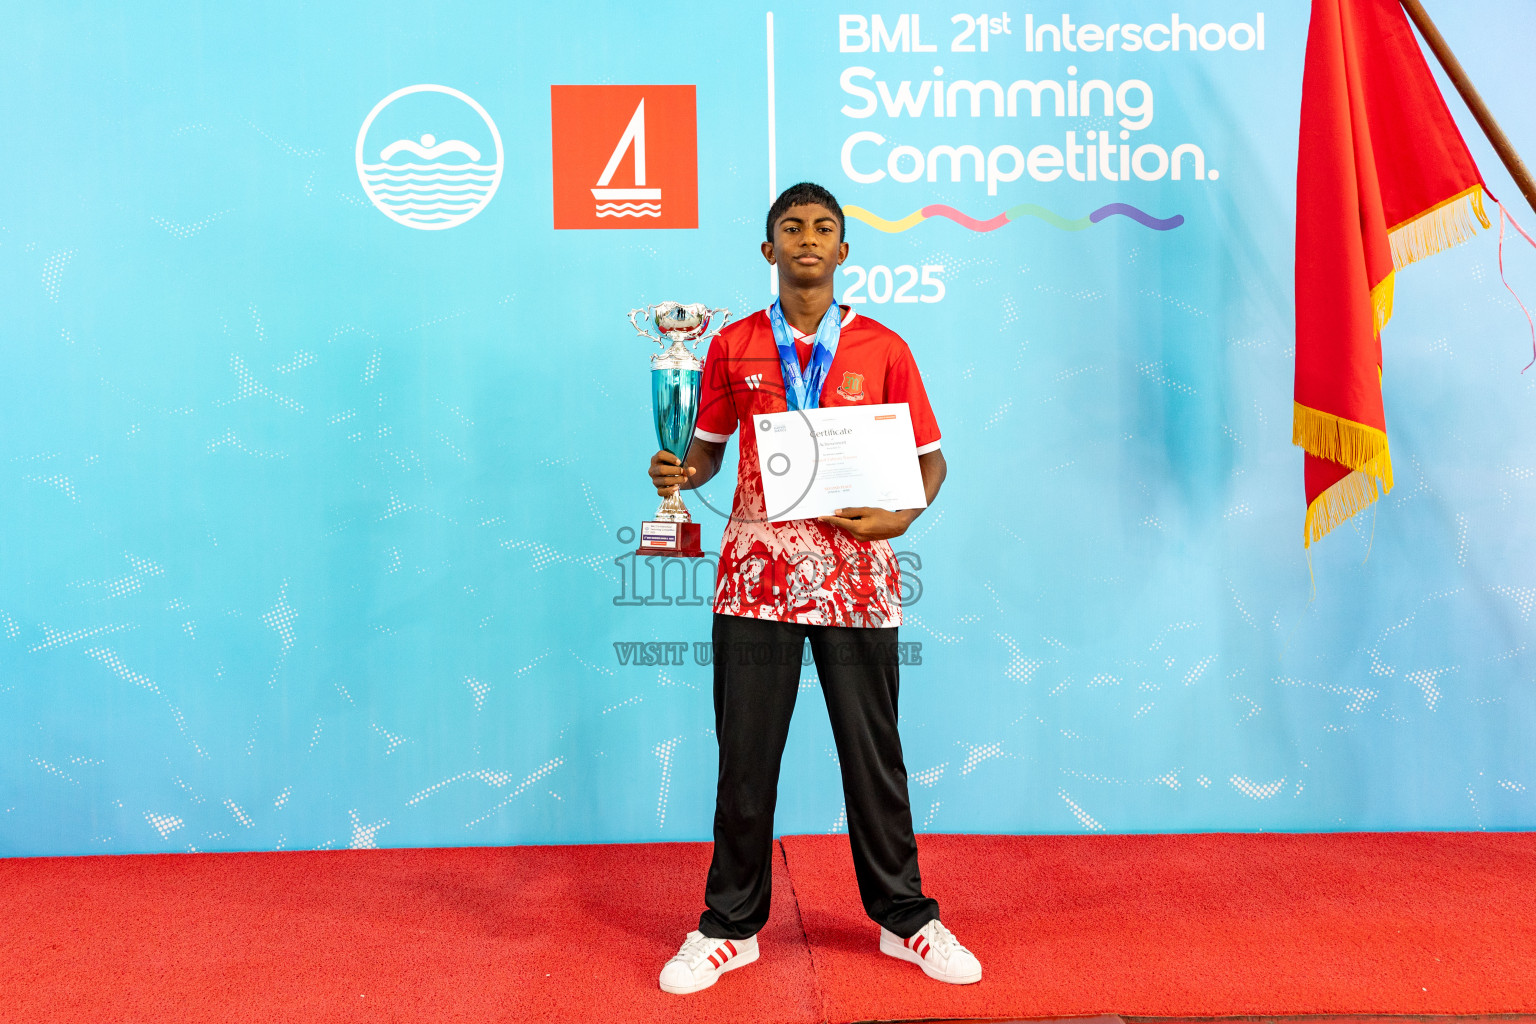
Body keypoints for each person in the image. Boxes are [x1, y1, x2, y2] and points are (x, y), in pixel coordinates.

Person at [646, 182, 981, 994]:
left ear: (842, 250)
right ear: (769, 250)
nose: (807, 238)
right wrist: (679, 469)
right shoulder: (731, 345)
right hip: (755, 577)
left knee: (874, 756)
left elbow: (931, 460)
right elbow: (708, 449)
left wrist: (901, 516)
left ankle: (906, 918)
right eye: (791, 227)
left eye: (823, 227)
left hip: (855, 578)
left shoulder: (884, 347)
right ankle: (729, 927)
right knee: (745, 758)